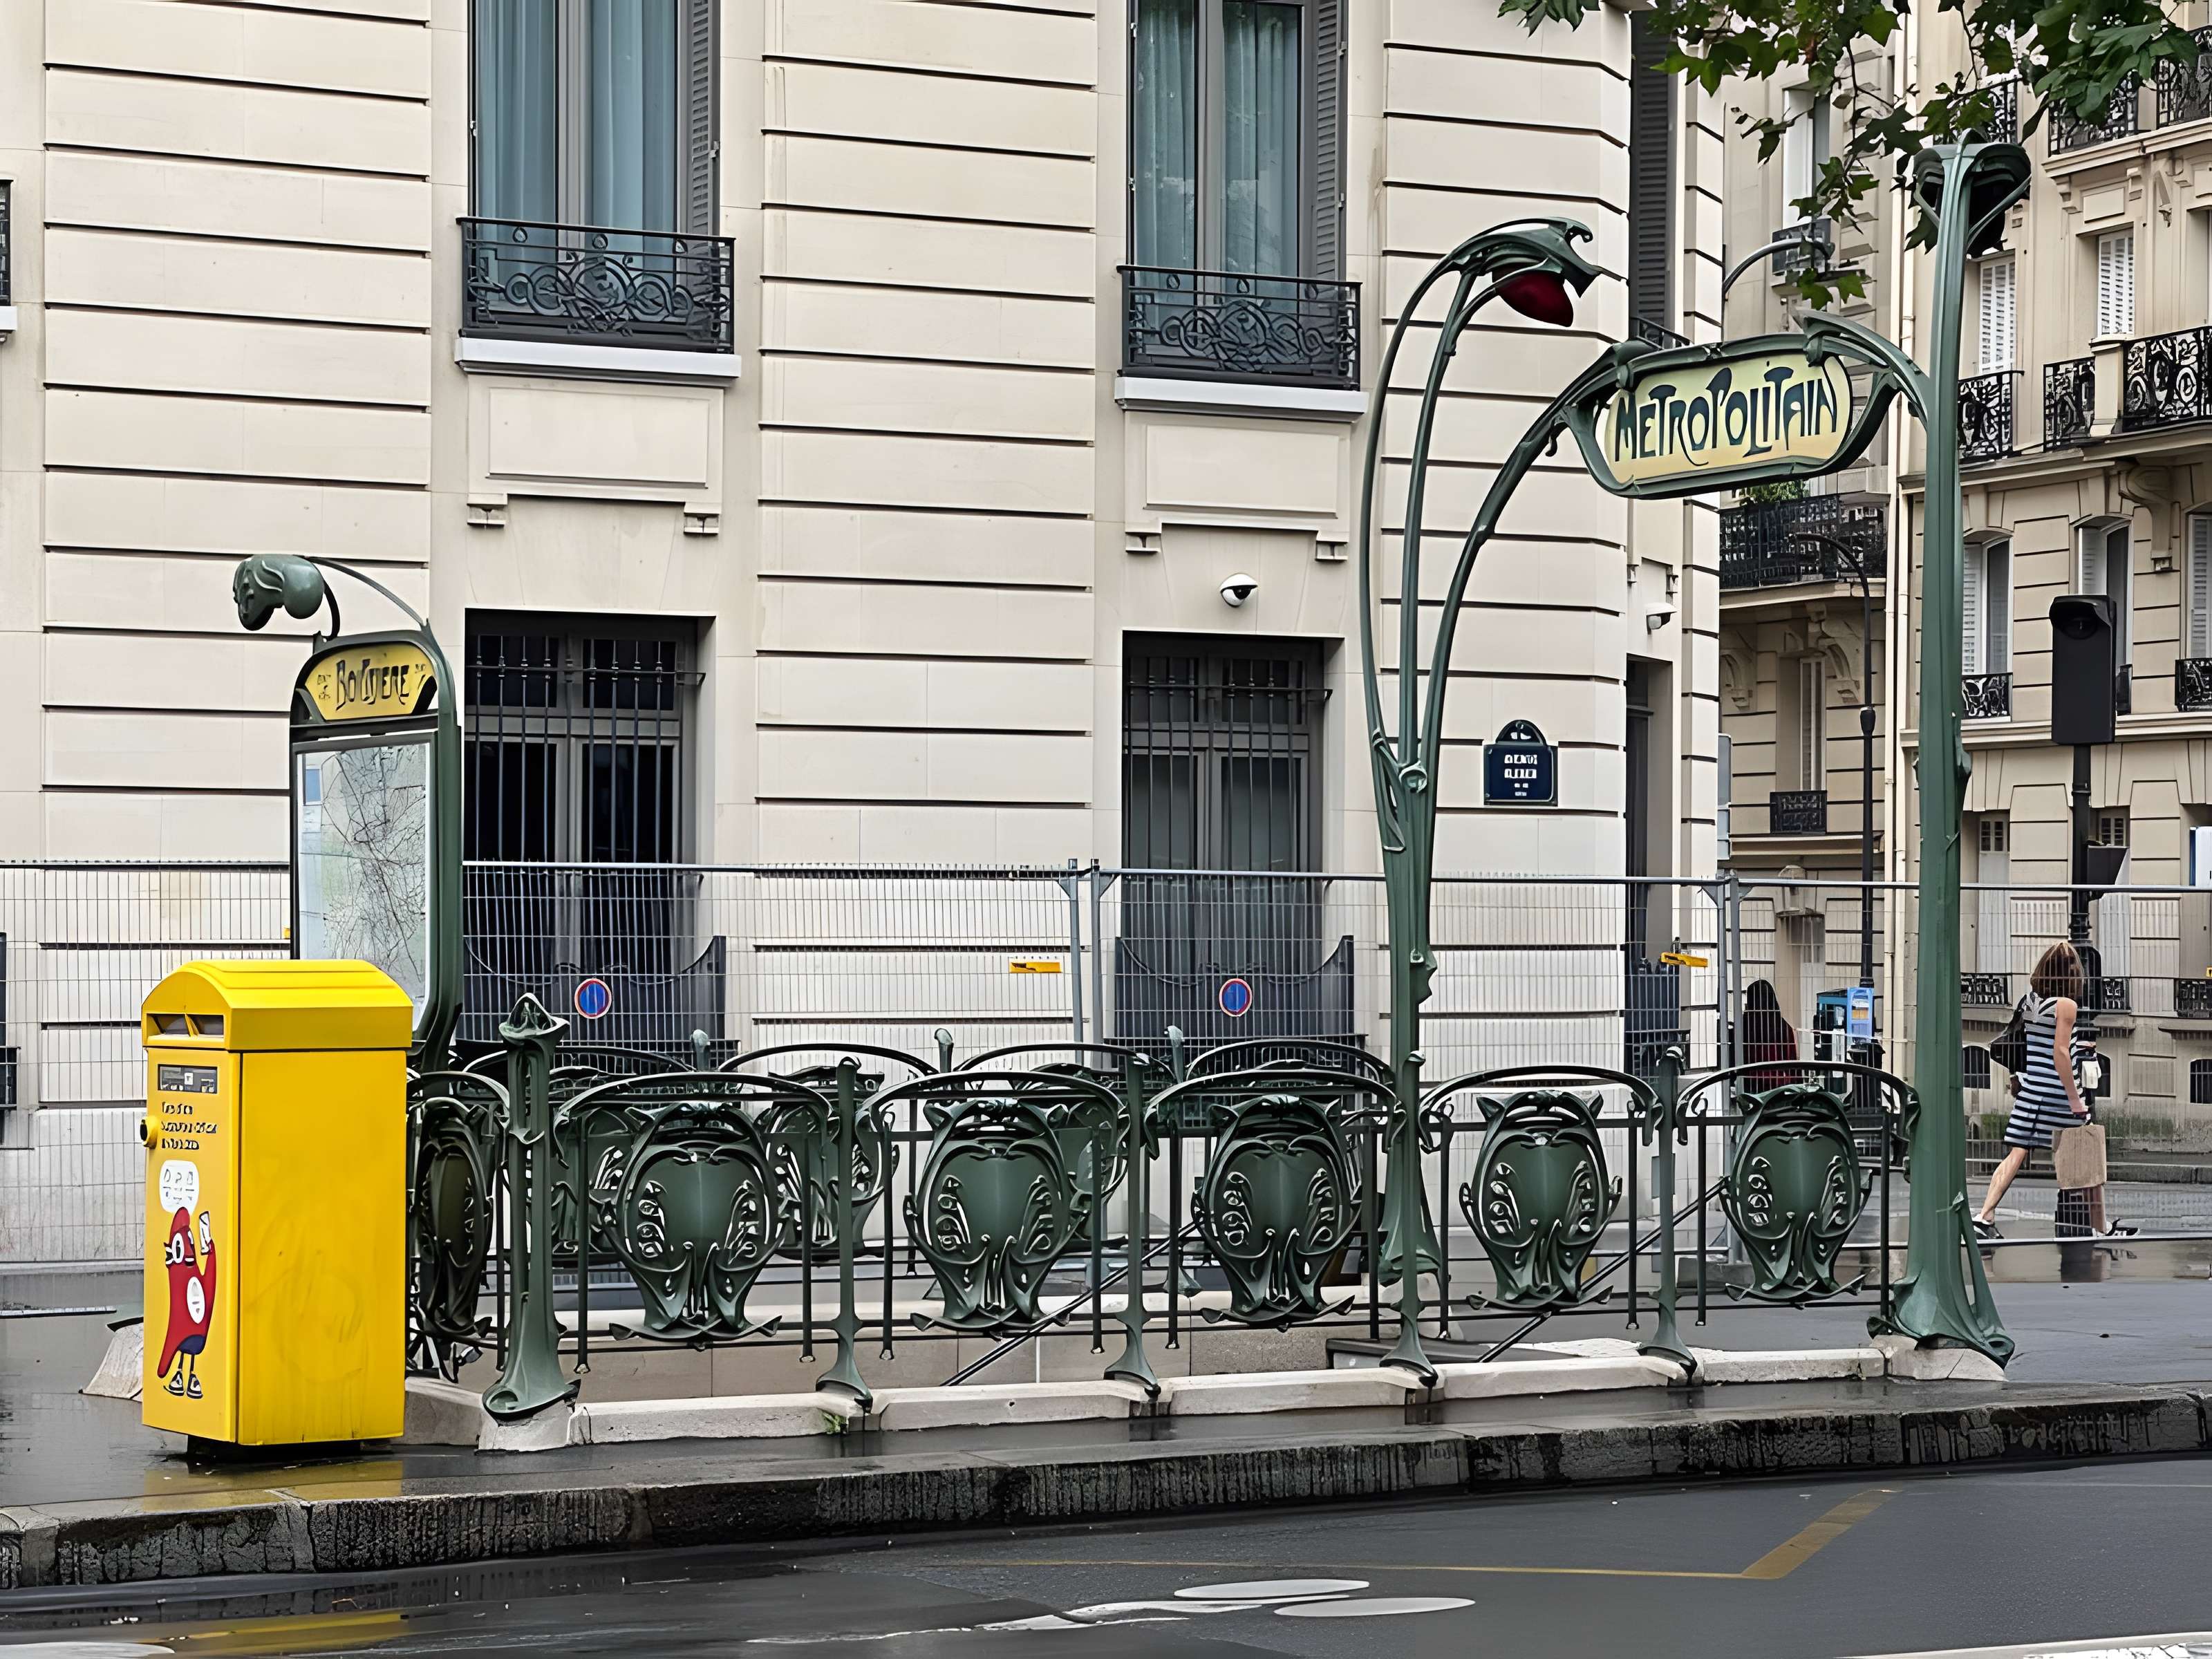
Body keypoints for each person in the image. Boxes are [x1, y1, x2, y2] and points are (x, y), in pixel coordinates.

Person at [1974, 942, 2132, 1239]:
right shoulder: (2066, 1006)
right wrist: (2075, 1100)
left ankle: (1985, 1214)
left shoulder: (2029, 1002)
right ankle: (2101, 1227)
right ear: (2071, 976)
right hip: (2057, 1094)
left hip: (2031, 1090)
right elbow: (2060, 1053)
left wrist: (2019, 1075)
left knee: (2016, 1154)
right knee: (2088, 1155)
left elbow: (2027, 1042)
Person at [1742, 978, 1797, 1088]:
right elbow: (1792, 1061)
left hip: (1749, 1080)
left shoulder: (1745, 1024)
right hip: (1777, 1082)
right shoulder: (1782, 1026)